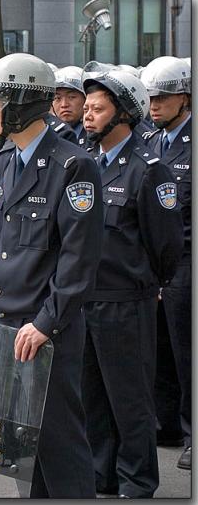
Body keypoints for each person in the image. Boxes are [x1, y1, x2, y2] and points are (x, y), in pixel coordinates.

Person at [0, 53, 102, 498]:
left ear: (22, 105)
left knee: (59, 441)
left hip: (46, 327)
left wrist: (46, 323)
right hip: (7, 321)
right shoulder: (5, 158)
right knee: (23, 441)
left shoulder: (73, 165)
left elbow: (78, 260)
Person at [80, 70, 183, 498]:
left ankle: (137, 480)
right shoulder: (85, 164)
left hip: (127, 300)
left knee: (130, 398)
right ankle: (102, 474)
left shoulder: (148, 170)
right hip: (87, 298)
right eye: (86, 108)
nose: (87, 116)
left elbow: (166, 245)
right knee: (93, 395)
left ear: (123, 113)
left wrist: (144, 284)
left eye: (97, 108)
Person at [141, 55, 192, 471]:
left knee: (187, 349)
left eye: (164, 97)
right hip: (160, 258)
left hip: (189, 259)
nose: (155, 105)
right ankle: (169, 422)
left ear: (185, 98)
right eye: (151, 97)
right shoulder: (154, 142)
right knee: (162, 347)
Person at [53, 66, 88, 147]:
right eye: (57, 98)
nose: (64, 105)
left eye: (71, 97)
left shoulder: (96, 136)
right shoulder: (46, 136)